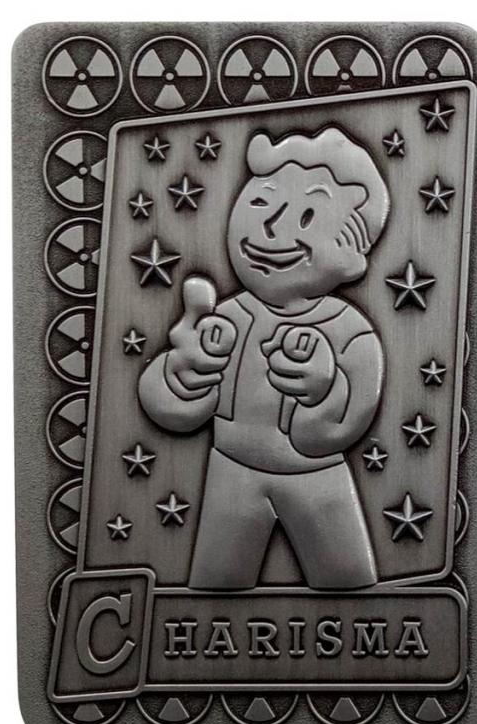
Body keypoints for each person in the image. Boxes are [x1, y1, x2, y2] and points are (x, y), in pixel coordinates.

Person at [139, 126, 390, 590]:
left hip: (319, 482)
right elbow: (169, 407)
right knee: (215, 585)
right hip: (231, 474)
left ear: (353, 256)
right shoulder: (225, 317)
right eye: (259, 203)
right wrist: (181, 376)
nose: (270, 228)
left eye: (307, 216)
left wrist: (322, 392)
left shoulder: (352, 335)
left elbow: (343, 425)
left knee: (347, 583)